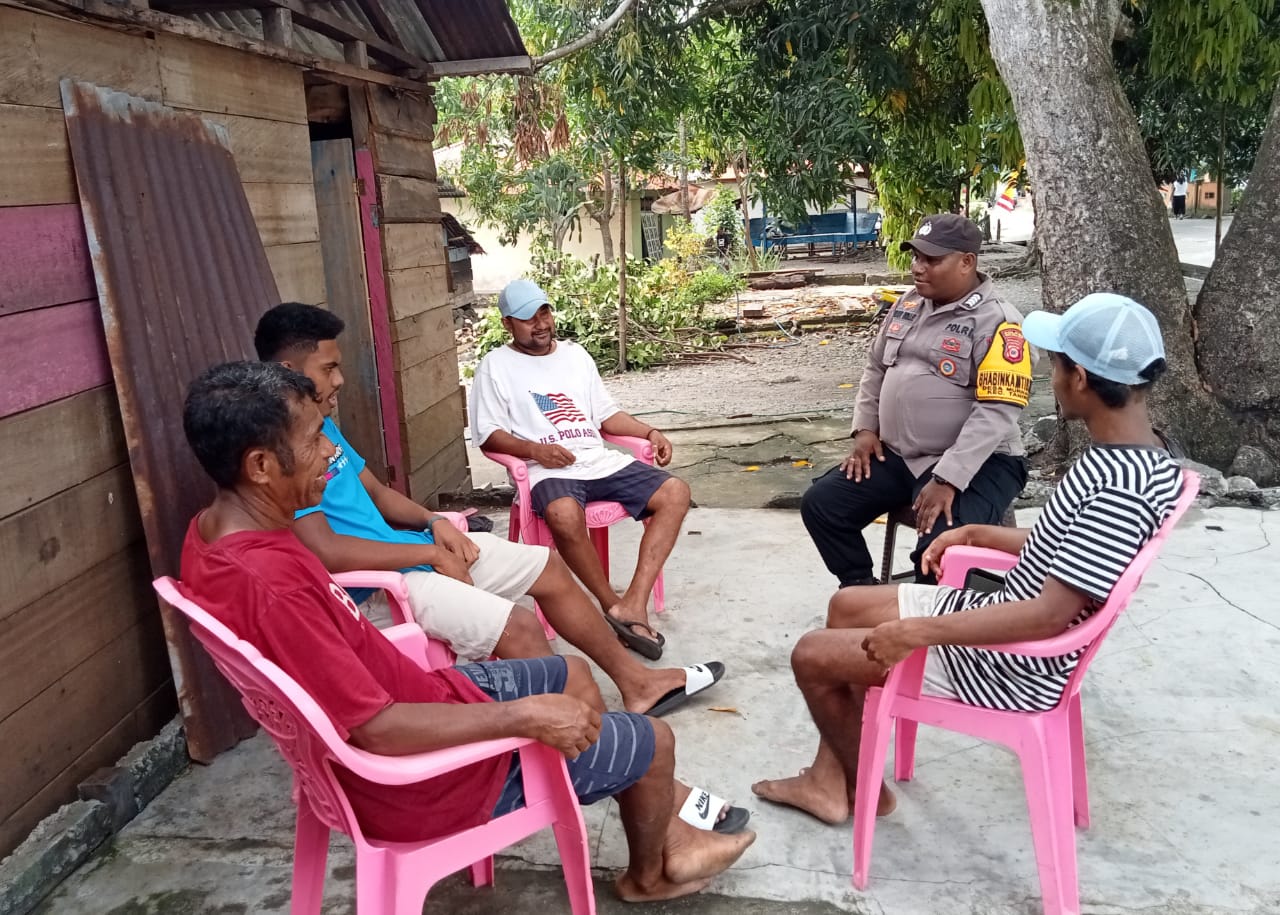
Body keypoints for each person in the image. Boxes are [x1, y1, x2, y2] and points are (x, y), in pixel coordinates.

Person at [178, 360, 756, 902]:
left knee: (573, 673)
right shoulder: (270, 584)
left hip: (417, 703)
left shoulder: (213, 533)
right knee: (655, 742)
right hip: (415, 781)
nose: (331, 450)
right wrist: (518, 718)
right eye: (313, 440)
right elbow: (377, 731)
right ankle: (650, 874)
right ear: (259, 466)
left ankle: (653, 797)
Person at [752, 293, 1185, 823]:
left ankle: (863, 787)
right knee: (848, 605)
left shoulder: (1118, 487)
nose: (1049, 378)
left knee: (811, 655)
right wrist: (977, 533)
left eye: (1054, 365)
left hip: (1013, 660)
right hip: (1011, 619)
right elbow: (1075, 554)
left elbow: (1049, 614)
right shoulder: (1138, 456)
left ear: (1079, 380)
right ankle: (835, 778)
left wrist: (919, 633)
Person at [252, 303, 725, 721]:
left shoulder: (320, 425)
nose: (338, 379)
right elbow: (324, 551)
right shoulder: (281, 446)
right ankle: (580, 741)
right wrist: (434, 556)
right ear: (291, 367)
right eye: (329, 367)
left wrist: (435, 522)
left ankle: (637, 684)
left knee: (548, 568)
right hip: (378, 585)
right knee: (517, 625)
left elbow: (375, 491)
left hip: (410, 553)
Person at [801, 213, 1031, 588]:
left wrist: (949, 478)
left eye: (932, 260)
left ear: (967, 262)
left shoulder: (999, 322)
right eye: (915, 257)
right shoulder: (908, 304)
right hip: (898, 456)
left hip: (979, 462)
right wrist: (865, 429)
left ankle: (931, 625)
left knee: (938, 550)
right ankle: (861, 591)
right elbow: (876, 367)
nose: (918, 268)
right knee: (822, 505)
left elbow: (997, 410)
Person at [470, 279, 691, 660]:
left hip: (596, 460)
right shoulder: (495, 366)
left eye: (544, 312)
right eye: (527, 319)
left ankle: (633, 603)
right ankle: (611, 604)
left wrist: (650, 431)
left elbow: (606, 416)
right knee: (562, 514)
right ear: (508, 324)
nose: (540, 324)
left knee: (676, 492)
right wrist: (535, 450)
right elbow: (488, 436)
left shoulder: (576, 355)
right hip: (546, 469)